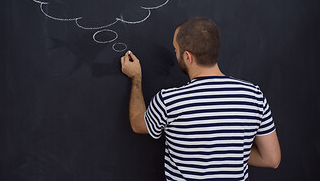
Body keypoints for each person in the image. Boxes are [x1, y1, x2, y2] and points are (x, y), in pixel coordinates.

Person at [120, 17, 281, 181]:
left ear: (188, 57)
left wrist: (136, 78)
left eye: (176, 50)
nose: (175, 54)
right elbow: (272, 159)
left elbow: (136, 123)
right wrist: (229, 153)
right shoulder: (254, 95)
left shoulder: (169, 101)